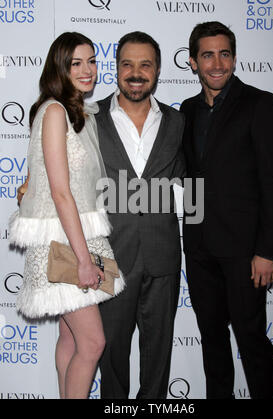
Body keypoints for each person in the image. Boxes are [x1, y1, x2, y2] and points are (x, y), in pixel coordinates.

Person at [9, 32, 125, 399]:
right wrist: (82, 260)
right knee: (92, 343)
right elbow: (60, 193)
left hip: (77, 236)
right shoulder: (56, 110)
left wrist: (27, 185)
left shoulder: (76, 112)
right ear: (59, 67)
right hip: (64, 244)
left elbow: (43, 176)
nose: (89, 69)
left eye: (92, 60)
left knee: (69, 336)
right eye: (77, 63)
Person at [180, 21, 273, 399]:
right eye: (207, 55)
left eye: (224, 54)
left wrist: (267, 250)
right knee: (211, 341)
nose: (217, 63)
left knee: (252, 340)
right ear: (193, 62)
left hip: (245, 252)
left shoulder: (260, 103)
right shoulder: (188, 110)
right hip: (198, 248)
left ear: (235, 58)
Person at [95, 31, 185, 399]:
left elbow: (188, 180)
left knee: (158, 355)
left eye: (145, 64)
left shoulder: (178, 122)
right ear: (116, 69)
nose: (136, 72)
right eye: (127, 64)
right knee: (111, 354)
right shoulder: (88, 118)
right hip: (108, 258)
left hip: (163, 256)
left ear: (158, 70)